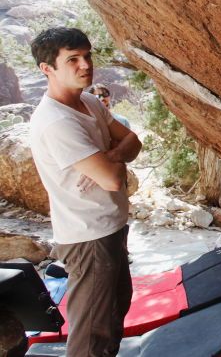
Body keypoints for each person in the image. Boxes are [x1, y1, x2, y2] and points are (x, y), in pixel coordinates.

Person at [28, 27, 141, 356]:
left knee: (113, 316)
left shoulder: (89, 101)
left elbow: (133, 142)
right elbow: (112, 180)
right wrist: (114, 155)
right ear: (47, 68)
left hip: (110, 227)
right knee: (92, 333)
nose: (85, 65)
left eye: (87, 56)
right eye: (73, 59)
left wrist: (113, 153)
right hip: (88, 236)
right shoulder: (56, 121)